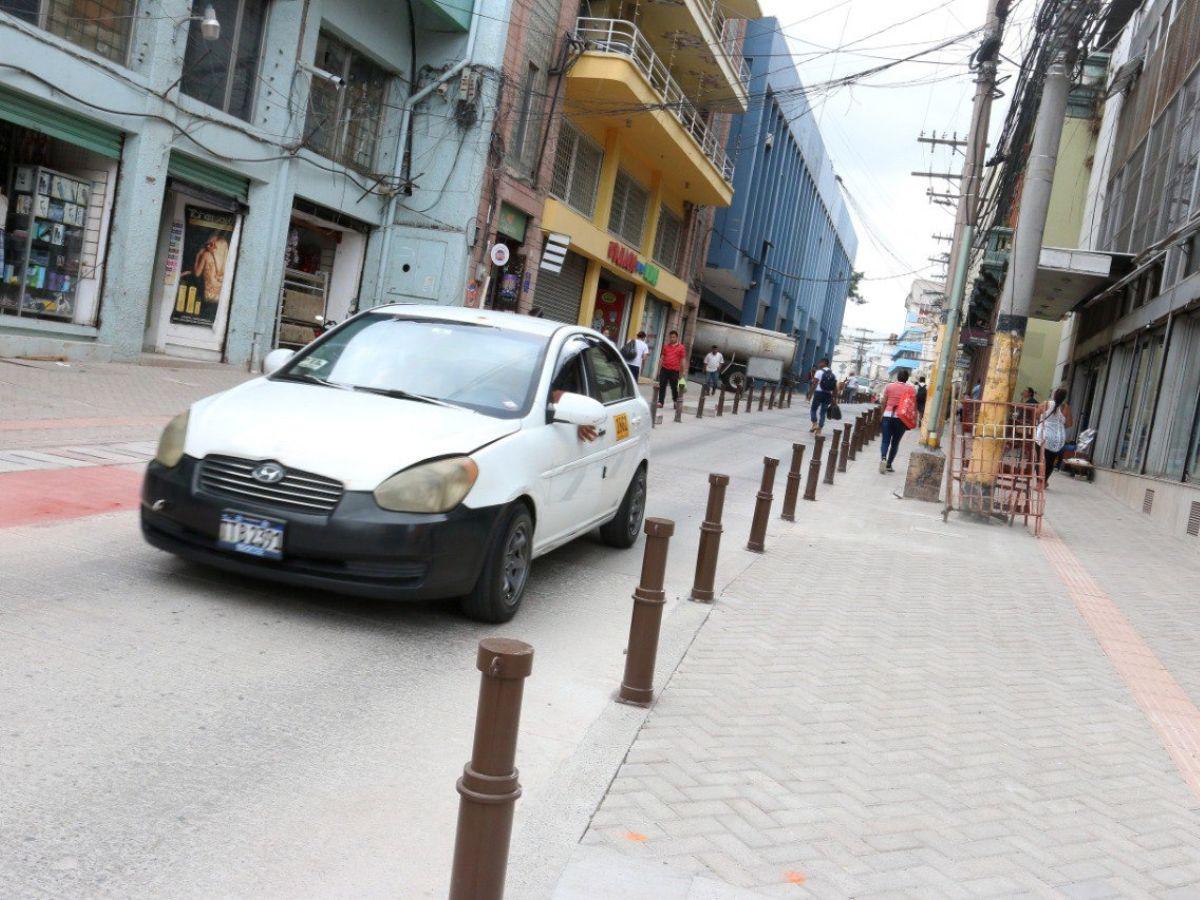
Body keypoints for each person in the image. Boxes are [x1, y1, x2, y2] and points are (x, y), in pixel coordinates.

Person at [879, 369, 917, 473]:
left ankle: (883, 458)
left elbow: (884, 401)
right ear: (907, 379)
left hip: (887, 415)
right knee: (895, 443)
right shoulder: (911, 389)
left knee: (885, 440)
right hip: (901, 418)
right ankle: (889, 465)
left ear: (897, 377)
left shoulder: (889, 386)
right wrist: (914, 420)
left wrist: (881, 415)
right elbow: (913, 406)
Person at [1036, 387, 1073, 483]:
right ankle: (1044, 482)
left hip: (1043, 436)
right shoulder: (1066, 408)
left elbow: (1035, 415)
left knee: (1040, 460)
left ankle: (1039, 482)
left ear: (1053, 395)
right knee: (1050, 462)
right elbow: (1069, 424)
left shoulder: (1046, 404)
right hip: (1057, 438)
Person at [658, 330, 686, 408]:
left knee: (674, 387)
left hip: (674, 371)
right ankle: (660, 402)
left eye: (673, 337)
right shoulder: (666, 346)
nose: (672, 339)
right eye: (670, 337)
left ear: (677, 337)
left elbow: (683, 360)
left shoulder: (681, 347)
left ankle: (675, 401)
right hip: (664, 369)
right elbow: (662, 357)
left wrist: (682, 372)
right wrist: (658, 369)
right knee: (662, 385)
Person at [810, 358, 836, 434]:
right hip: (828, 394)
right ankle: (819, 429)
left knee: (813, 409)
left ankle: (814, 424)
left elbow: (814, 383)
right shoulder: (832, 374)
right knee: (823, 412)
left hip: (819, 393)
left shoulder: (819, 372)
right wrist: (834, 398)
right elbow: (835, 388)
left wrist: (810, 394)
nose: (818, 364)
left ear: (823, 363)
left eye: (820, 362)